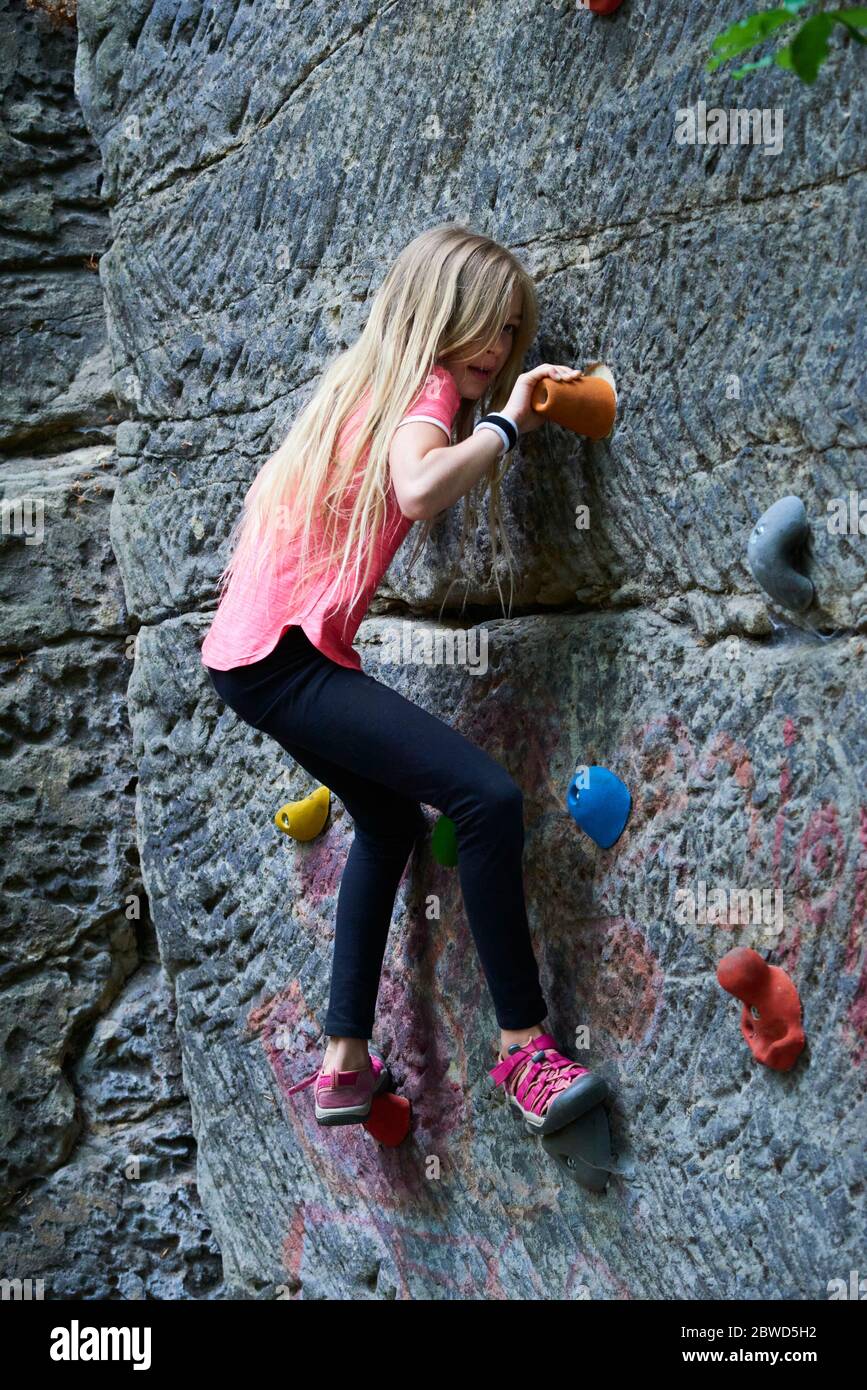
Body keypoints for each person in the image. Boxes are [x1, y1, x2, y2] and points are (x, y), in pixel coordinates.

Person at [201, 222, 603, 1136]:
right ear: (441, 313)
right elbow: (420, 488)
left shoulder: (364, 384)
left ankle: (344, 1062)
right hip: (287, 658)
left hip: (251, 661)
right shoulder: (420, 387)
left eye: (512, 336)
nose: (501, 351)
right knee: (487, 800)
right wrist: (509, 423)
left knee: (386, 823)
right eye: (490, 328)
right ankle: (522, 1051)